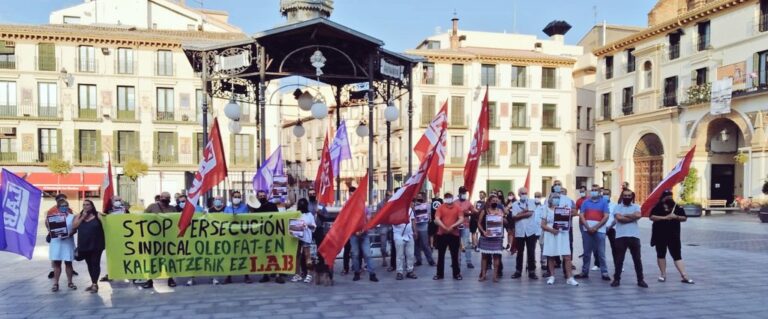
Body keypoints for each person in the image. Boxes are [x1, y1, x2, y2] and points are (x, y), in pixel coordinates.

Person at [650, 191, 694, 284]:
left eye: (671, 196)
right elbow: (652, 217)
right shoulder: (657, 206)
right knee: (661, 254)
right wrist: (665, 218)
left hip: (674, 235)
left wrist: (676, 216)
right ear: (663, 197)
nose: (669, 198)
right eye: (667, 196)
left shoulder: (676, 207)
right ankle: (663, 274)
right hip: (660, 235)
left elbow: (684, 218)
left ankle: (684, 275)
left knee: (677, 255)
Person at [540, 194, 579, 286]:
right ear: (550, 199)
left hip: (563, 234)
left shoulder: (563, 208)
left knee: (567, 256)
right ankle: (552, 276)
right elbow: (542, 225)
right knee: (551, 255)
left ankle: (569, 277)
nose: (556, 200)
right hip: (550, 233)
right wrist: (551, 230)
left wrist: (568, 210)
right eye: (554, 198)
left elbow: (575, 213)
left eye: (558, 198)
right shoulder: (546, 209)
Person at [611, 190, 648, 288]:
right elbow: (619, 218)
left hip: (634, 236)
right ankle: (616, 279)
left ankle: (640, 280)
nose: (627, 197)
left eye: (629, 195)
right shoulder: (617, 207)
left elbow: (638, 215)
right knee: (619, 259)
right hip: (620, 236)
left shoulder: (636, 206)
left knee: (637, 260)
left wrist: (625, 215)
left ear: (632, 196)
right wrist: (632, 217)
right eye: (625, 195)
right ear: (622, 196)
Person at [575, 185, 611, 281]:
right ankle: (584, 271)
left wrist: (595, 227)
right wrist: (587, 227)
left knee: (601, 252)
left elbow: (606, 216)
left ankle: (604, 272)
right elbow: (582, 216)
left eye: (596, 190)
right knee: (586, 253)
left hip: (600, 231)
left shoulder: (604, 202)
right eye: (592, 190)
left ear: (599, 192)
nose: (594, 192)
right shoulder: (585, 202)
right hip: (587, 231)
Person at [143, 192, 177, 288]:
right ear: (160, 198)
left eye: (167, 197)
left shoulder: (172, 208)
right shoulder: (152, 207)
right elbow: (143, 217)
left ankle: (170, 278)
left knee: (169, 259)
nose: (165, 199)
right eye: (163, 197)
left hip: (168, 238)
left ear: (169, 199)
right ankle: (150, 280)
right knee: (153, 259)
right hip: (154, 237)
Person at [71, 200, 105, 293]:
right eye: (84, 205)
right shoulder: (79, 215)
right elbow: (74, 226)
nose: (85, 206)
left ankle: (95, 284)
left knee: (95, 263)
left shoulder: (98, 215)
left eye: (88, 204)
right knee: (89, 264)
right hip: (84, 244)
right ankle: (93, 282)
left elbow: (106, 226)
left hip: (97, 244)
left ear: (92, 206)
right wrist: (82, 217)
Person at [348, 186, 379, 282]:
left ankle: (372, 274)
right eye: (351, 195)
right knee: (355, 254)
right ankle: (357, 273)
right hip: (353, 234)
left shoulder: (363, 206)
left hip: (364, 233)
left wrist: (365, 225)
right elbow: (347, 221)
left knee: (368, 254)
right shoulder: (347, 206)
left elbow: (368, 217)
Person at [252, 190, 284, 283]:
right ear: (257, 197)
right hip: (261, 235)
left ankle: (278, 274)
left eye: (263, 195)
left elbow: (277, 218)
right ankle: (265, 275)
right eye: (260, 196)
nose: (262, 197)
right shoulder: (255, 207)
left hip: (273, 233)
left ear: (266, 196)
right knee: (263, 255)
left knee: (276, 254)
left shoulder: (272, 205)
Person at [46, 194, 79, 279]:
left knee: (68, 261)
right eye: (61, 200)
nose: (64, 205)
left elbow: (73, 224)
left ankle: (70, 279)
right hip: (56, 238)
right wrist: (52, 231)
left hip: (67, 239)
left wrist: (69, 233)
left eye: (64, 200)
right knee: (56, 259)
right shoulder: (52, 210)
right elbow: (48, 223)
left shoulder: (70, 211)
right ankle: (55, 272)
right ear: (57, 202)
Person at [510, 187, 540, 280]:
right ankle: (518, 271)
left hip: (531, 231)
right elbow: (514, 217)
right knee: (520, 252)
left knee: (531, 252)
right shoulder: (515, 204)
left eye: (525, 193)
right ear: (519, 194)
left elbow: (530, 214)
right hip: (520, 232)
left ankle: (532, 271)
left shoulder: (532, 202)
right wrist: (524, 212)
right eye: (522, 193)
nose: (524, 195)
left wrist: (519, 215)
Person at [433, 192, 464, 281]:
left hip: (454, 234)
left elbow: (461, 218)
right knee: (440, 255)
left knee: (455, 255)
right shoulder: (441, 207)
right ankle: (439, 274)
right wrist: (444, 227)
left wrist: (453, 226)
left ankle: (456, 274)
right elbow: (437, 219)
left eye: (449, 196)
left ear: (452, 197)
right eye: (446, 196)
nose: (448, 198)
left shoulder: (457, 207)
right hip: (442, 234)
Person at [477, 194, 505, 282]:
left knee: (496, 257)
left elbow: (505, 222)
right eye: (493, 201)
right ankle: (483, 275)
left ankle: (495, 276)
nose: (495, 203)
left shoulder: (500, 211)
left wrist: (501, 216)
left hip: (497, 237)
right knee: (484, 256)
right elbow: (479, 223)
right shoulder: (484, 211)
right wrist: (483, 232)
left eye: (496, 201)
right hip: (486, 236)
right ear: (489, 202)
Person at [291, 198, 317, 283]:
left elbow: (313, 227)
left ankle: (309, 274)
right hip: (296, 238)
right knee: (296, 255)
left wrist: (307, 225)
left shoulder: (310, 215)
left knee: (307, 256)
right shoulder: (295, 214)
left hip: (306, 237)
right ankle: (297, 274)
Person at [456, 186, 478, 269]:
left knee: (467, 244)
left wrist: (472, 213)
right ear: (459, 193)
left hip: (465, 225)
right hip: (456, 226)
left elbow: (474, 211)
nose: (464, 194)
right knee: (456, 244)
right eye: (462, 193)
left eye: (465, 193)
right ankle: (457, 261)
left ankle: (469, 261)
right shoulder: (455, 202)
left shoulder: (468, 202)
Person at [394, 200, 417, 280]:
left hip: (409, 235)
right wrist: (403, 219)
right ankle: (399, 272)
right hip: (399, 235)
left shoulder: (410, 210)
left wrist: (415, 231)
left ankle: (410, 271)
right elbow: (393, 221)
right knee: (400, 255)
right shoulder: (395, 210)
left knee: (410, 254)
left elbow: (413, 220)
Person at [412, 192, 435, 267]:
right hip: (415, 227)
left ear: (423, 198)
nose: (418, 198)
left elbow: (428, 216)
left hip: (423, 227)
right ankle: (418, 260)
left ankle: (430, 260)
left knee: (425, 245)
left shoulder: (427, 205)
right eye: (417, 197)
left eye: (420, 197)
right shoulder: (414, 205)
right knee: (416, 245)